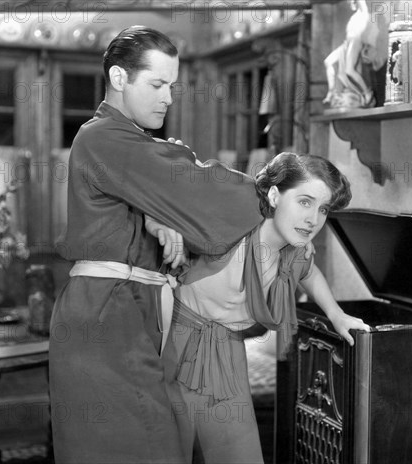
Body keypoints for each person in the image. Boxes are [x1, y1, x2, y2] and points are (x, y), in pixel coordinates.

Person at [48, 26, 266, 464]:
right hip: (107, 316)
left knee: (158, 444)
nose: (168, 97)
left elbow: (165, 189)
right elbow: (195, 189)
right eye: (157, 84)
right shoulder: (102, 137)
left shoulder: (128, 141)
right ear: (118, 78)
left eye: (172, 85)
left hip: (130, 309)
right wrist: (272, 191)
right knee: (143, 449)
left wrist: (157, 213)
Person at [147, 152, 370, 463]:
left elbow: (309, 273)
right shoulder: (233, 219)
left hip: (226, 350)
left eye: (323, 209)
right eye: (304, 202)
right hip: (175, 338)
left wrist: (336, 314)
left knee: (240, 454)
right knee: (166, 449)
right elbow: (160, 186)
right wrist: (156, 223)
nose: (313, 219)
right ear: (276, 195)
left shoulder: (295, 250)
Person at [323, 0, 387, 109]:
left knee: (349, 70)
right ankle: (331, 91)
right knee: (328, 62)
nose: (350, 3)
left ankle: (367, 93)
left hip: (354, 41)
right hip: (346, 43)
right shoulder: (355, 16)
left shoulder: (364, 14)